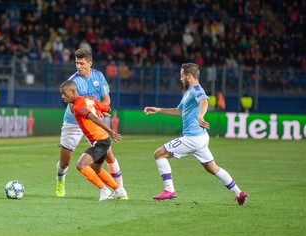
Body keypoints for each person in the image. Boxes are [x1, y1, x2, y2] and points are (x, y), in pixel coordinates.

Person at [144, 62, 248, 205]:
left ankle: (169, 190)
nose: (180, 79)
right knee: (213, 168)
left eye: (182, 76)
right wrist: (158, 109)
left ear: (189, 76)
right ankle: (239, 193)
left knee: (159, 154)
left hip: (193, 137)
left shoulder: (196, 89)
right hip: (201, 138)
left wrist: (200, 116)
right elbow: (179, 111)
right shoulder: (188, 93)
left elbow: (204, 102)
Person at [55, 48, 125, 198]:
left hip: (92, 121)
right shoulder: (73, 81)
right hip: (74, 122)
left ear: (90, 63)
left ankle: (120, 189)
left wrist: (99, 109)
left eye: (81, 63)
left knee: (109, 156)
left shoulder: (98, 76)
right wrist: (94, 111)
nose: (79, 66)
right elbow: (73, 106)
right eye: (76, 63)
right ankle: (60, 180)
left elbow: (106, 99)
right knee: (65, 162)